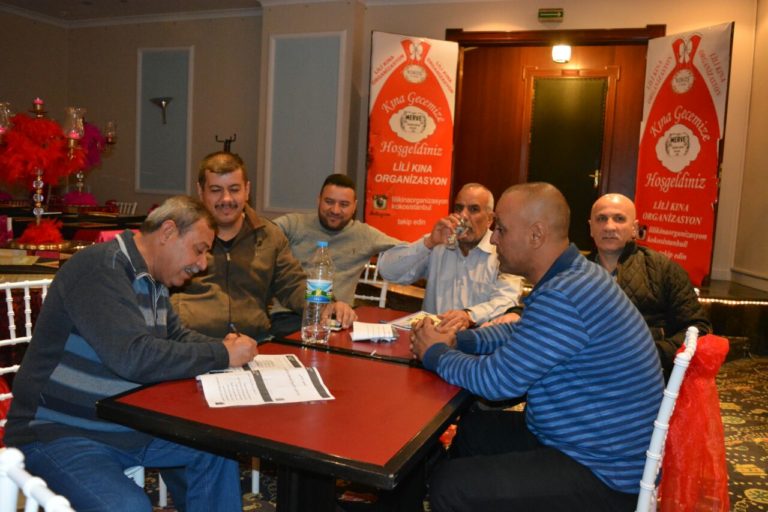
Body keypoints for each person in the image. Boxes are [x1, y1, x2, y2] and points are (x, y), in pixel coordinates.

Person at [410, 182, 664, 511]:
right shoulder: (574, 275)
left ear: (536, 235)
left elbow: (497, 382)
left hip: (603, 473)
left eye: (501, 229)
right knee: (474, 430)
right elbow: (523, 332)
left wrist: (435, 353)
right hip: (585, 441)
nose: (494, 239)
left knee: (450, 486)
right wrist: (461, 339)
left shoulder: (565, 294)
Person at [5, 196, 259, 512]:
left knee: (216, 451)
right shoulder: (100, 268)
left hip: (129, 427)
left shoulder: (152, 280)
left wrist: (230, 349)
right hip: (58, 432)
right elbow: (133, 357)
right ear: (168, 232)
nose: (203, 263)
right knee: (129, 506)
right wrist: (222, 354)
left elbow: (176, 337)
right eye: (199, 249)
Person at [170, 152, 355, 340]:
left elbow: (294, 285)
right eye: (216, 190)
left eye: (234, 189)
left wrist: (328, 305)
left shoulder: (269, 235)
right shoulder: (179, 235)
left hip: (254, 344)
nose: (226, 199)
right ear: (201, 191)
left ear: (247, 190)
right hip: (191, 344)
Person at [588, 193, 712, 380]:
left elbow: (698, 328)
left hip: (648, 377)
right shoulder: (574, 273)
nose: (609, 226)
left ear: (634, 228)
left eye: (619, 219)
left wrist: (652, 354)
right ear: (591, 228)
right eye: (601, 219)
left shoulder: (662, 269)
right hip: (587, 376)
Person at [378, 183, 523, 331]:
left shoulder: (503, 251)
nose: (463, 216)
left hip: (477, 339)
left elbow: (507, 301)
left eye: (473, 209)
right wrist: (428, 243)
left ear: (489, 219)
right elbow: (388, 272)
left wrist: (469, 315)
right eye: (459, 208)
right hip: (432, 338)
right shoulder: (438, 243)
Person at [273, 173, 401, 305]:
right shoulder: (294, 224)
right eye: (329, 202)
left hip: (339, 314)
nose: (335, 210)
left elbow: (406, 250)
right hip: (289, 312)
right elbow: (264, 232)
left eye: (344, 204)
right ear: (318, 200)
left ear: (354, 206)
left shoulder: (365, 235)